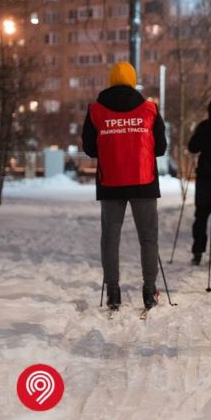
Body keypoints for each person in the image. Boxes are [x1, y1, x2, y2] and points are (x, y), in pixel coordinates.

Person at [81, 62, 167, 310]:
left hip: (110, 182)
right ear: (133, 80)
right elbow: (160, 148)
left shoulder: (96, 110)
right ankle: (149, 290)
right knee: (148, 238)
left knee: (110, 238)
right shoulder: (149, 109)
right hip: (144, 181)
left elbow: (89, 148)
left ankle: (113, 292)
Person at [188, 95, 211, 266]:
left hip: (204, 177)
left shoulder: (204, 126)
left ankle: (197, 251)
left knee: (201, 216)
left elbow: (192, 147)